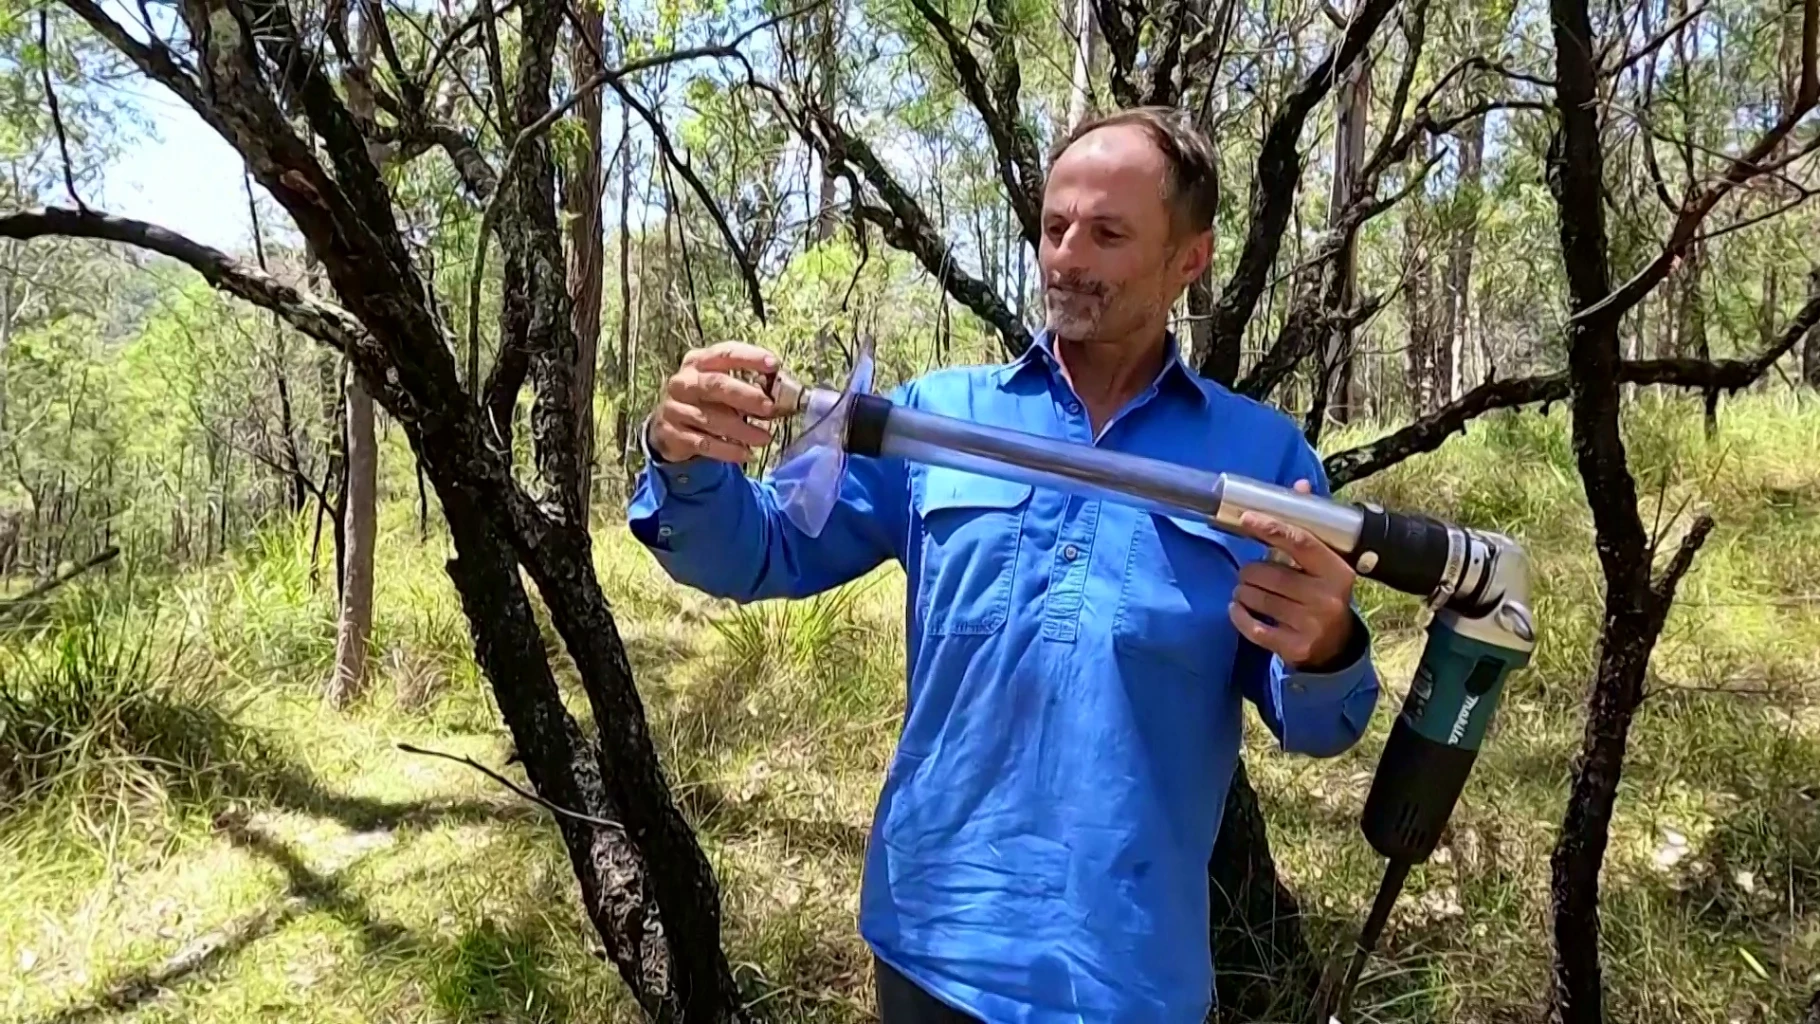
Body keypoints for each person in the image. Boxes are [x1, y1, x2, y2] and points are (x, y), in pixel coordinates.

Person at [627, 105, 1380, 1023]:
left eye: (1108, 233)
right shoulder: (934, 417)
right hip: (929, 945)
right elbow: (760, 553)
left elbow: (1319, 723)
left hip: (1129, 976)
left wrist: (1328, 645)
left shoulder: (1261, 462)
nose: (1068, 255)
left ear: (1191, 259)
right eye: (1055, 227)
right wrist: (685, 460)